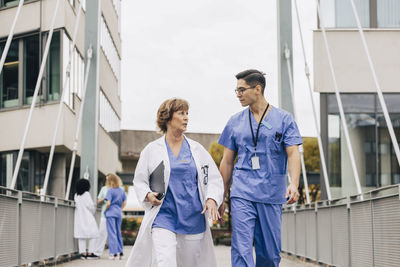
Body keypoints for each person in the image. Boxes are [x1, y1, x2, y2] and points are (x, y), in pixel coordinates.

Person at [126, 98, 224, 267]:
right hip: (164, 216)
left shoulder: (197, 150)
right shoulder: (152, 150)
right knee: (165, 262)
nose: (186, 118)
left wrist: (211, 199)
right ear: (168, 117)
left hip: (193, 217)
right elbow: (140, 180)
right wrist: (148, 194)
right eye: (181, 113)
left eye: (187, 114)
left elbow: (214, 179)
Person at [218, 69, 302, 267]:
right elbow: (227, 161)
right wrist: (220, 195)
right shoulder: (235, 122)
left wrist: (295, 184)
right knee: (241, 247)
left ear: (258, 89)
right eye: (236, 90)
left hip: (271, 194)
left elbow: (293, 153)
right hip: (242, 192)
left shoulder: (284, 119)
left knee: (270, 254)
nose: (238, 94)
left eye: (241, 90)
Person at [74, 178, 100, 260]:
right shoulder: (86, 194)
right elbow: (91, 206)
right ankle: (90, 252)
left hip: (79, 217)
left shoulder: (76, 195)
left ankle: (83, 253)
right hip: (88, 216)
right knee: (93, 234)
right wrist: (92, 212)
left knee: (81, 236)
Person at [104, 174, 127, 260]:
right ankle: (121, 253)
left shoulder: (110, 190)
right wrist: (119, 208)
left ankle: (113, 253)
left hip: (110, 213)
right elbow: (124, 202)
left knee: (111, 233)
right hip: (118, 213)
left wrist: (106, 210)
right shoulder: (122, 190)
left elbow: (108, 203)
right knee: (118, 233)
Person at [92, 175, 111, 257]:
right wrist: (104, 198)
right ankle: (97, 252)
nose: (107, 181)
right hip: (105, 214)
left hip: (113, 215)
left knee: (113, 234)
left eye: (108, 179)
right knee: (102, 233)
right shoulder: (104, 188)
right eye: (106, 179)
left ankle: (115, 253)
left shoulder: (117, 188)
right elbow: (98, 201)